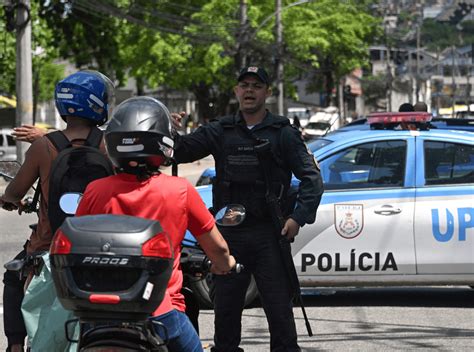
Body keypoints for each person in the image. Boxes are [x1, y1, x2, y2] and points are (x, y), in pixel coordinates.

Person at [171, 66, 324, 352]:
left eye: (256, 85)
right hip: (229, 236)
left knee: (279, 311)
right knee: (226, 311)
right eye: (244, 85)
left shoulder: (283, 133)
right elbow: (179, 151)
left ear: (267, 92)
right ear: (236, 91)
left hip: (269, 233)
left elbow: (312, 178)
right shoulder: (221, 130)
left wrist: (297, 218)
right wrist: (171, 130)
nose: (249, 90)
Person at [74, 96, 236, 352]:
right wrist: (226, 265)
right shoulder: (179, 191)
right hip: (159, 311)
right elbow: (218, 249)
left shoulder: (95, 191)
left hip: (99, 316)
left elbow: (77, 244)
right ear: (163, 142)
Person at [0, 70, 114, 352]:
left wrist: (11, 199)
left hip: (50, 246)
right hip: (104, 246)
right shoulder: (109, 144)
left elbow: (14, 192)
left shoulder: (43, 146)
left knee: (13, 279)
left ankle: (15, 346)